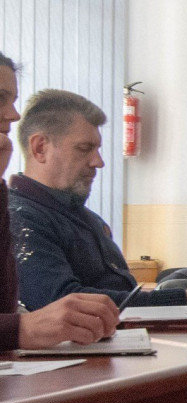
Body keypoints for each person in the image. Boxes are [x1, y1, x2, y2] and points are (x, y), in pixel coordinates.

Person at [11, 89, 187, 315]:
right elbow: (61, 302)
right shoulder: (18, 217)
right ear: (40, 148)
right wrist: (184, 300)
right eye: (84, 148)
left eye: (97, 149)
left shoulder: (86, 218)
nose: (98, 162)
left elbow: (122, 293)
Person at [0, 51, 119, 351]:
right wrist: (20, 330)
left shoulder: (88, 218)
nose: (14, 115)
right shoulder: (21, 213)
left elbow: (4, 305)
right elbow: (53, 304)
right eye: (1, 98)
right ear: (40, 148)